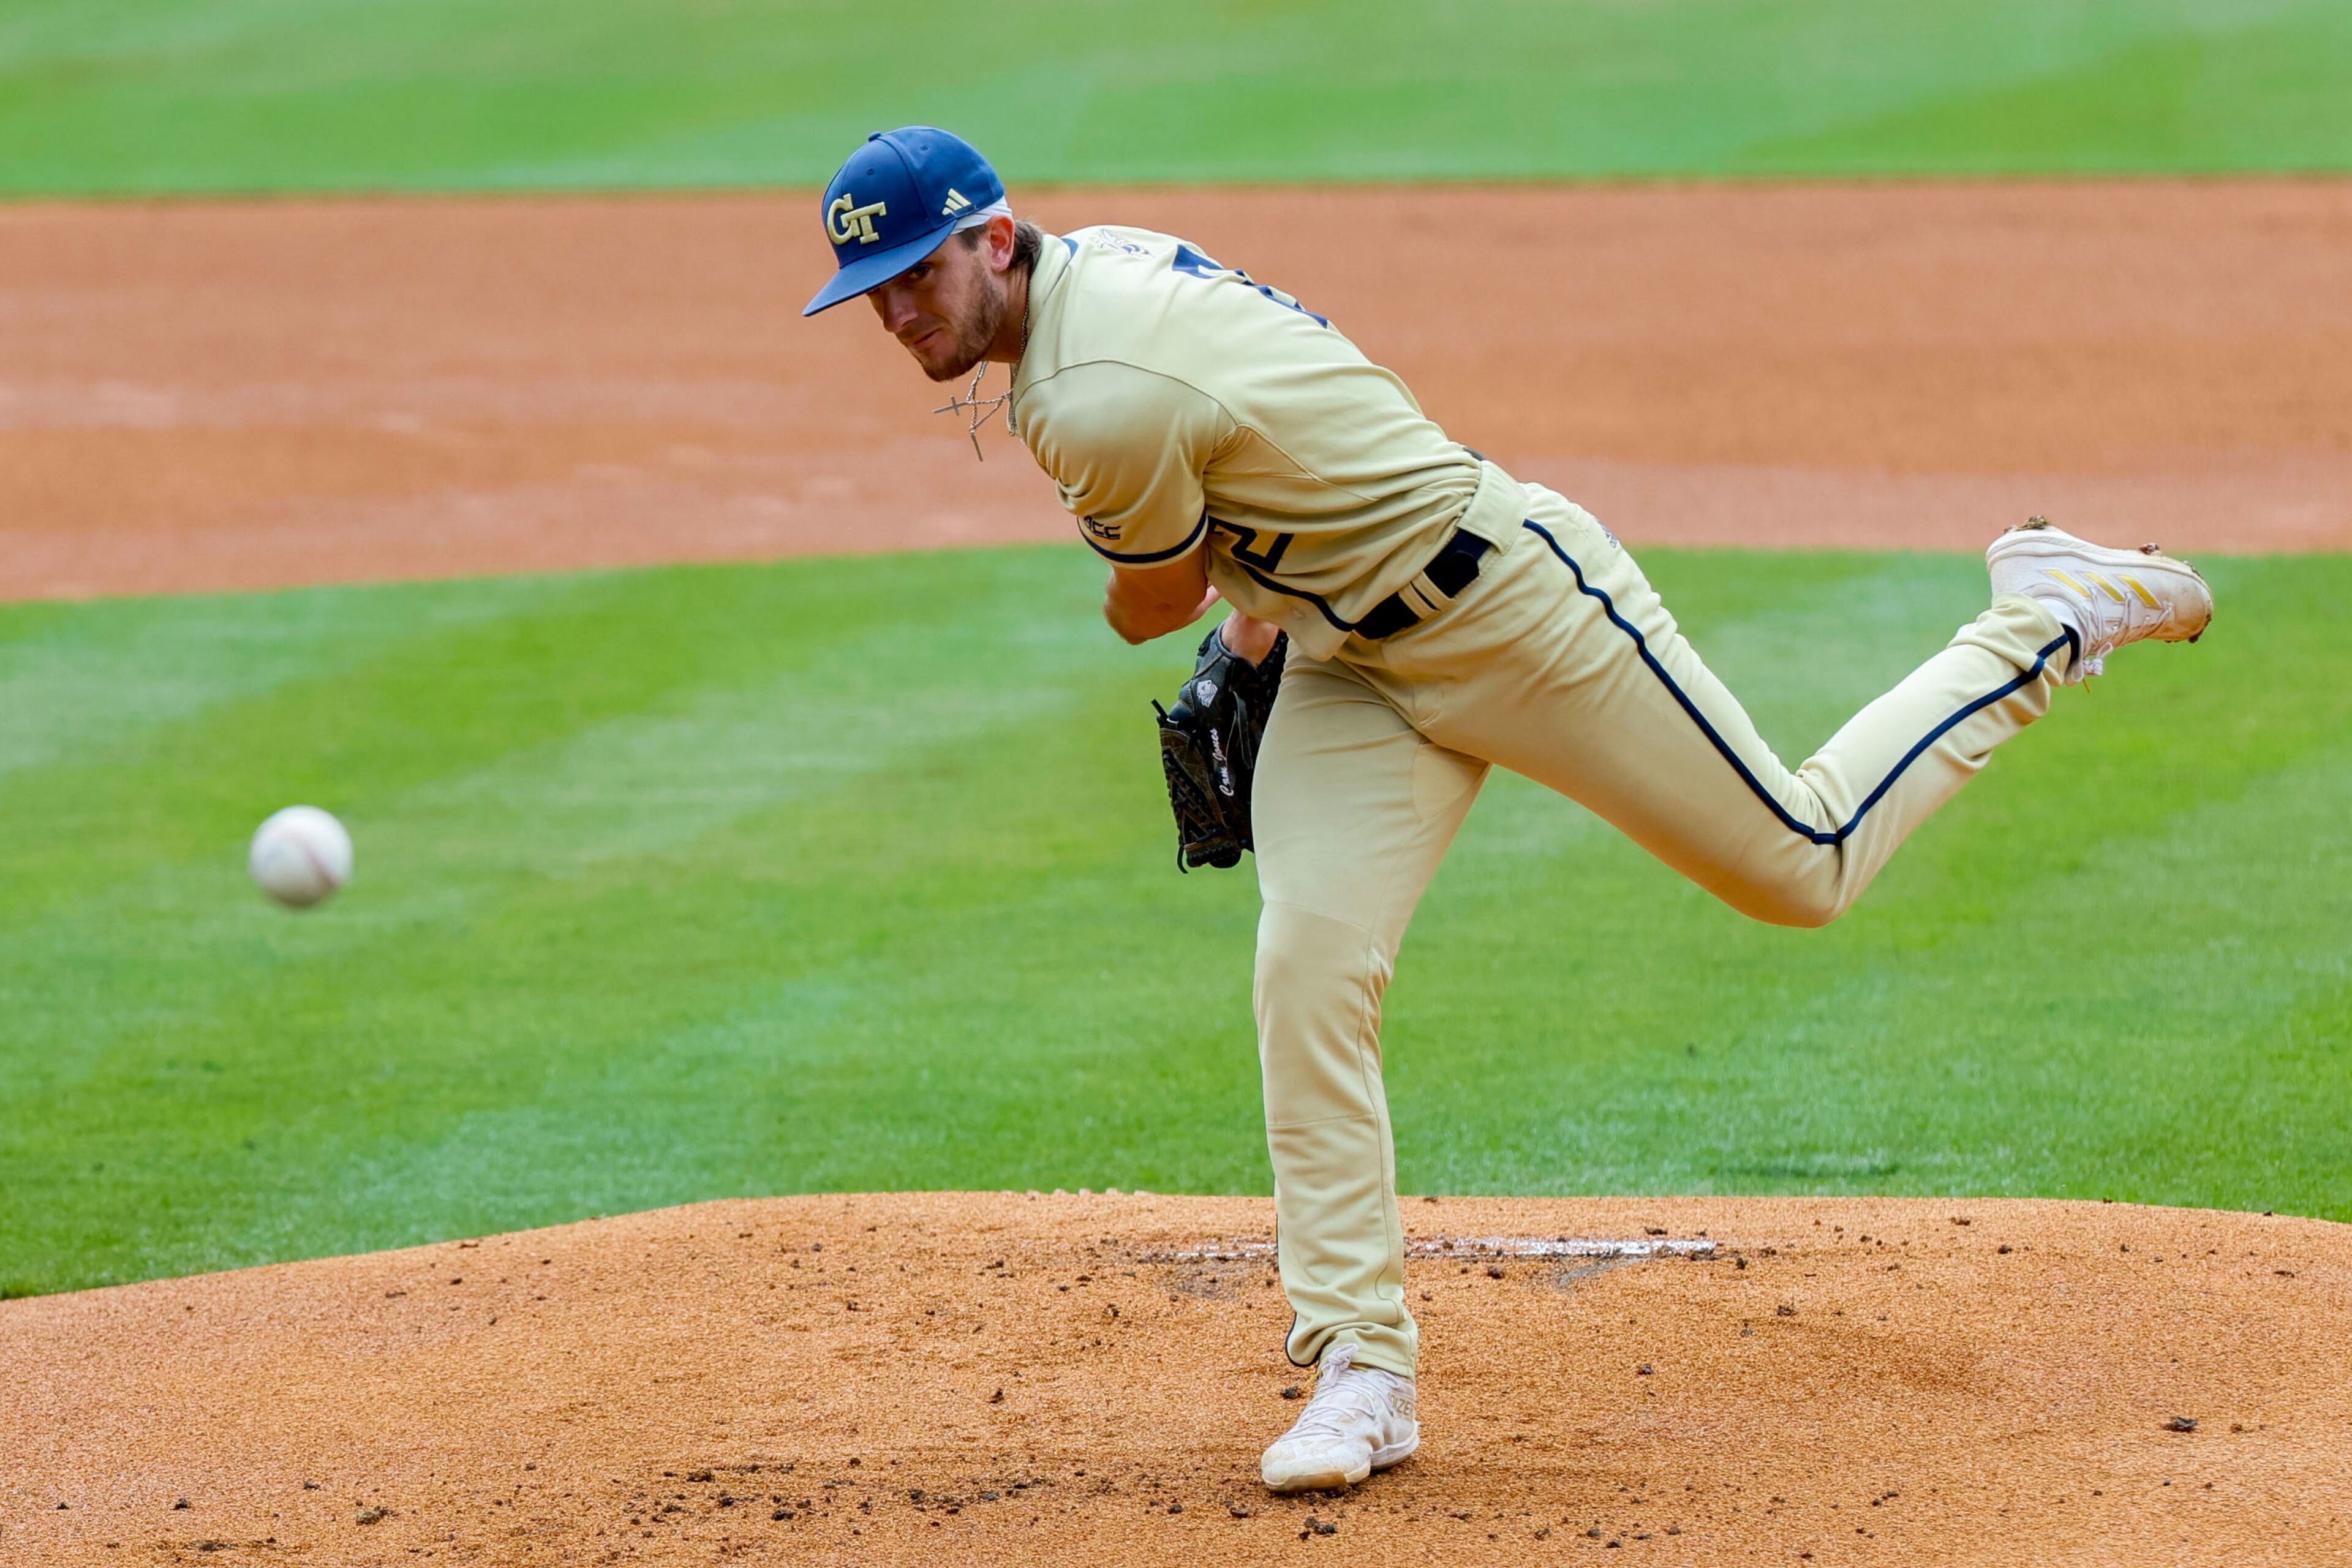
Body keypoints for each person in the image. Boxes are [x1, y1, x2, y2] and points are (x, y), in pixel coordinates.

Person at [803, 127, 2214, 1493]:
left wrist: (1209, 617)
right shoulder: (1093, 267)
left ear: (994, 237)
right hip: (1346, 660)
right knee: (1308, 966)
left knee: (1806, 862)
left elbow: (1146, 601)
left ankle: (2042, 614)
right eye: (875, 291)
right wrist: (1257, 627)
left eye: (918, 273)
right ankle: (1361, 1364)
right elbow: (1271, 449)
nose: (897, 312)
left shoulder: (1086, 392)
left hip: (1518, 614)